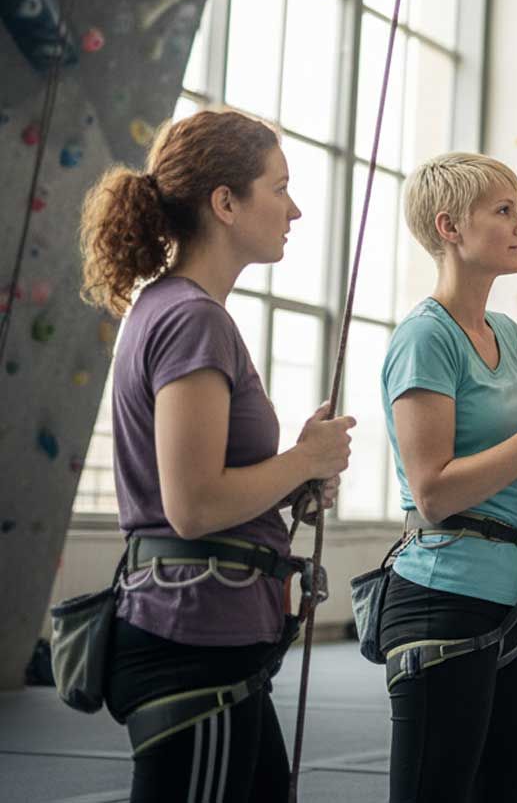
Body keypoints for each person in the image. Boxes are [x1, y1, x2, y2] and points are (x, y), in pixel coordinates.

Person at [79, 108, 354, 803]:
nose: (294, 209)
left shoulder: (175, 310)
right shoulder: (191, 318)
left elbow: (209, 490)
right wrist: (304, 458)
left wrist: (295, 477)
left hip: (210, 636)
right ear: (225, 203)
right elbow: (194, 504)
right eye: (279, 187)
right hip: (191, 641)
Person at [379, 153, 517, 803]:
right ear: (450, 226)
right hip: (438, 599)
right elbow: (436, 491)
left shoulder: (504, 332)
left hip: (512, 602)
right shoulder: (425, 338)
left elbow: (500, 483)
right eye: (504, 211)